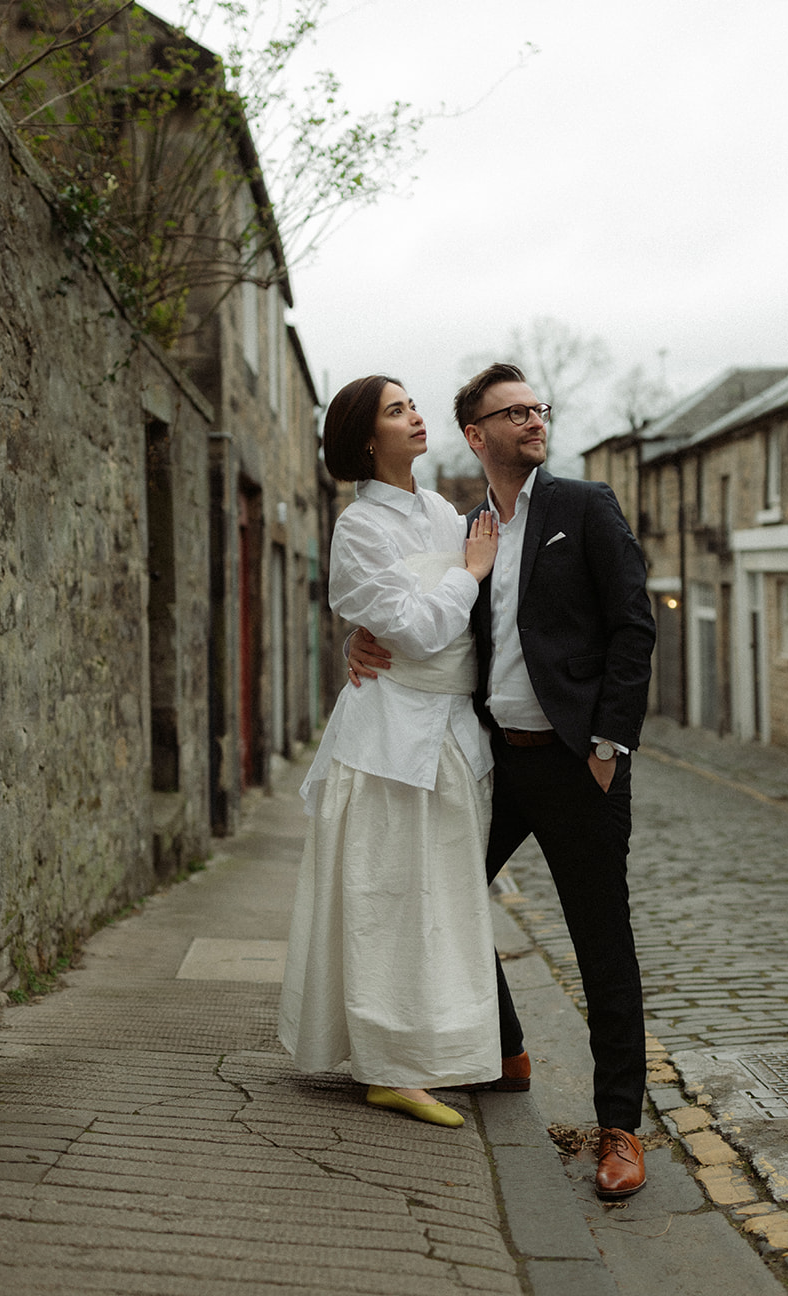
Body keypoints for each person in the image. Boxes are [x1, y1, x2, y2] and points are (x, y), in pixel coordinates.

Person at [348, 363, 656, 1197]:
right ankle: (508, 1052)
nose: (531, 420)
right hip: (493, 762)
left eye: (535, 409)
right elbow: (431, 615)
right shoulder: (466, 529)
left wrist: (607, 746)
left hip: (574, 765)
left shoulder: (582, 507)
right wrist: (362, 640)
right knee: (445, 897)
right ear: (475, 435)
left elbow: (634, 625)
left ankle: (619, 1130)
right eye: (510, 412)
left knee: (601, 944)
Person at [278, 374, 501, 1129]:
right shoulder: (358, 528)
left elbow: (451, 624)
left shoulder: (441, 509)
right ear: (366, 439)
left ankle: (428, 1052)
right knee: (384, 900)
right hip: (386, 740)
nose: (414, 415)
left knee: (438, 902)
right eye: (396, 410)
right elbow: (410, 632)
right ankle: (385, 1067)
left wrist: (457, 587)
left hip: (448, 730)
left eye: (412, 405)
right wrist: (467, 576)